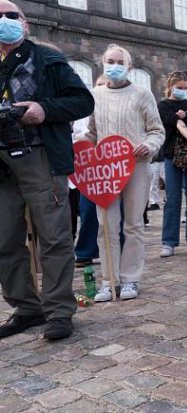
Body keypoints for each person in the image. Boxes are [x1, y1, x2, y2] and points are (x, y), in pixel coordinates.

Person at [0, 0, 94, 340]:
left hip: (39, 155)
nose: (5, 21)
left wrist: (44, 108)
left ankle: (58, 310)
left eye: (12, 16)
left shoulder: (49, 59)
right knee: (4, 239)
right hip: (1, 165)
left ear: (25, 24)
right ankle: (26, 308)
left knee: (53, 237)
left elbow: (83, 101)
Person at [82, 44, 164, 302]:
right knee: (106, 226)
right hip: (105, 170)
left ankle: (130, 278)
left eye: (120, 61)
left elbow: (156, 130)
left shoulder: (142, 94)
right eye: (110, 60)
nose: (114, 65)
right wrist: (82, 152)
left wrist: (148, 145)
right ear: (102, 62)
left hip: (136, 166)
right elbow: (91, 133)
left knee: (133, 224)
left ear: (129, 66)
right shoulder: (95, 95)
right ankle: (109, 280)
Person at [158, 71, 187, 257]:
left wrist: (185, 117)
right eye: (180, 88)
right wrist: (179, 118)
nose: (183, 91)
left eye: (185, 88)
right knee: (172, 199)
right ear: (170, 87)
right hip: (171, 154)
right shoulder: (163, 105)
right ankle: (169, 241)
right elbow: (166, 121)